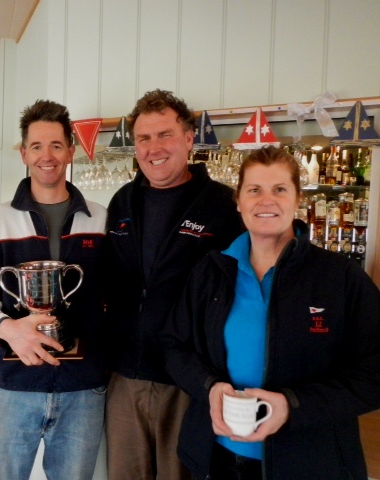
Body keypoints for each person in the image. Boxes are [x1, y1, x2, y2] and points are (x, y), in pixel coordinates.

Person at [162, 146, 380, 480]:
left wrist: (292, 406)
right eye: (254, 190)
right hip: (216, 457)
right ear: (238, 201)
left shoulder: (339, 278)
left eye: (279, 189)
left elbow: (374, 375)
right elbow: (173, 345)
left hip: (310, 463)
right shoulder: (212, 270)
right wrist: (208, 387)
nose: (267, 200)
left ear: (298, 200)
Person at [0, 99, 108, 480]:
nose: (48, 156)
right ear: (24, 153)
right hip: (13, 386)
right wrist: (9, 329)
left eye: (57, 145)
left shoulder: (102, 219)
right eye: (38, 146)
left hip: (83, 389)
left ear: (71, 152)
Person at [104, 89, 244, 479]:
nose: (154, 148)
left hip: (189, 382)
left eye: (164, 135)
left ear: (188, 139)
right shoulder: (121, 203)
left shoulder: (224, 206)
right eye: (144, 138)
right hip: (124, 378)